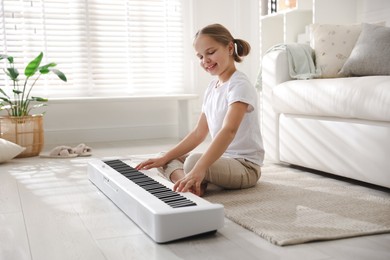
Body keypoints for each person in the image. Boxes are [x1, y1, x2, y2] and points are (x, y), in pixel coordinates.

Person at [136, 23, 264, 197]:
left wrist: (199, 167)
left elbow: (229, 130)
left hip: (245, 167)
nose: (205, 61)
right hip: (221, 159)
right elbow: (198, 133)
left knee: (193, 162)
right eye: (200, 56)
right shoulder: (212, 87)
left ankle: (190, 178)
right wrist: (164, 158)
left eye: (210, 53)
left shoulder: (240, 85)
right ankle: (191, 185)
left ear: (229, 48)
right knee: (166, 157)